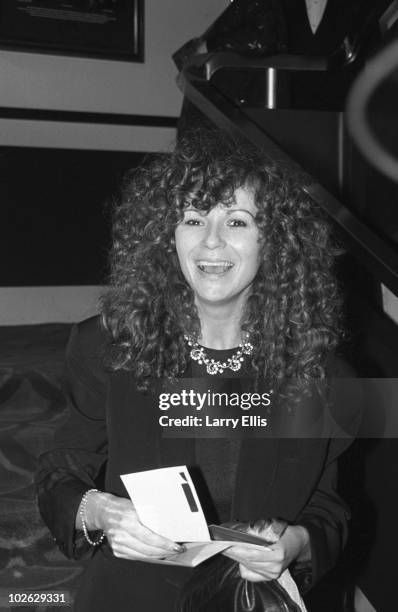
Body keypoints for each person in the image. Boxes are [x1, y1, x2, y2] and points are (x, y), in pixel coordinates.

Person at [36, 127, 353, 611]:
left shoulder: (325, 373)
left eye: (238, 222)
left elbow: (330, 507)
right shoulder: (108, 347)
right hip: (134, 595)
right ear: (169, 236)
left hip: (253, 598)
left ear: (276, 240)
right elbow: (59, 471)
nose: (211, 242)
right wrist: (103, 512)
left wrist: (297, 544)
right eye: (193, 218)